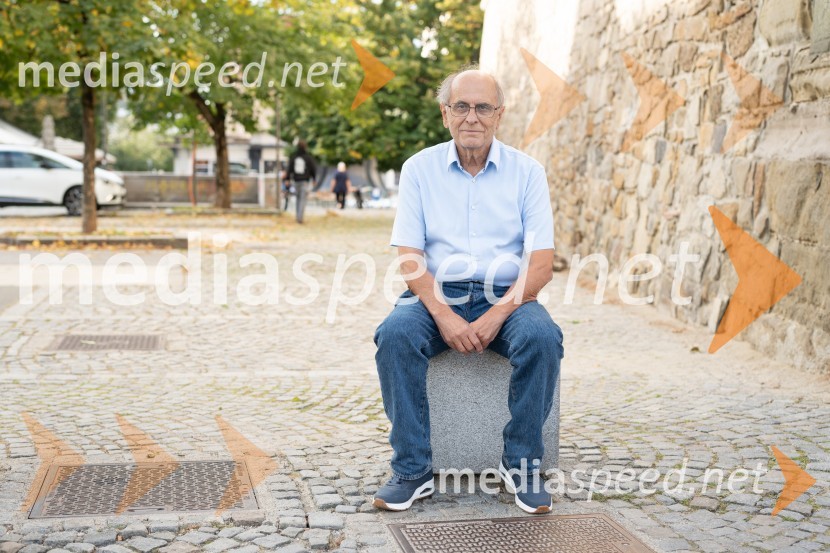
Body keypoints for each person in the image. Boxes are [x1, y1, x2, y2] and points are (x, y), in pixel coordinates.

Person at [372, 68, 564, 515]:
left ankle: (522, 466)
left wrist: (496, 315)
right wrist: (444, 315)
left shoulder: (528, 173)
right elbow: (409, 257)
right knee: (395, 335)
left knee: (542, 338)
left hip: (511, 295)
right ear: (445, 114)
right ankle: (412, 469)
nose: (471, 117)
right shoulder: (419, 169)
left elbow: (540, 265)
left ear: (499, 114)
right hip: (439, 293)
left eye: (482, 107)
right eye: (461, 106)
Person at [287, 140, 317, 223]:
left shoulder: (294, 157)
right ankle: (300, 217)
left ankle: (298, 216)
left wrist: (287, 179)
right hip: (304, 181)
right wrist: (314, 179)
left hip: (296, 180)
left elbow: (289, 169)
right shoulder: (308, 157)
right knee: (302, 199)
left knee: (298, 198)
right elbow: (313, 169)